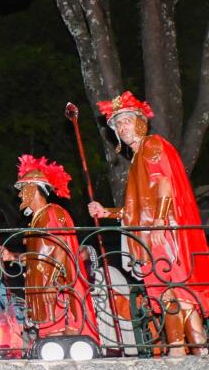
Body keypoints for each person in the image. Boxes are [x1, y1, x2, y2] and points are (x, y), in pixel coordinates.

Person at [88, 91, 209, 356]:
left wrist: (159, 224)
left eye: (127, 121)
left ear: (140, 122)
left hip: (162, 233)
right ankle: (191, 349)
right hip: (148, 233)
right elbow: (134, 210)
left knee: (175, 290)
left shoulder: (152, 145)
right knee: (169, 292)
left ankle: (183, 349)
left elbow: (164, 184)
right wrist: (105, 211)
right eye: (118, 124)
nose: (122, 127)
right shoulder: (137, 160)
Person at [0, 155, 100, 342]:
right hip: (41, 289)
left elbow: (60, 249)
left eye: (22, 190)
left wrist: (52, 283)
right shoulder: (35, 221)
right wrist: (12, 256)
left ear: (33, 189)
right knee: (50, 338)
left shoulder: (52, 213)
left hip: (53, 289)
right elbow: (37, 257)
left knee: (60, 337)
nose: (19, 195)